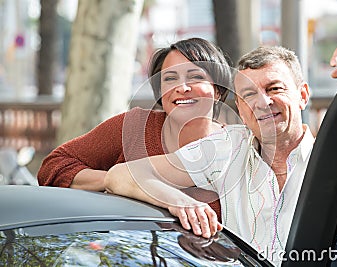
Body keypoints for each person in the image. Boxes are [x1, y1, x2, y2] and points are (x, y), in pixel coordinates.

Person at [104, 42, 337, 265]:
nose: (262, 102)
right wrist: (177, 200)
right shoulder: (225, 149)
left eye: (274, 88)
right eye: (248, 95)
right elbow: (120, 176)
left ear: (303, 95)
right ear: (240, 109)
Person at [37, 38, 234, 219]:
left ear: (218, 89)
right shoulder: (134, 127)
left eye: (195, 77)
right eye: (170, 78)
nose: (182, 88)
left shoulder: (235, 149)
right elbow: (53, 166)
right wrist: (122, 181)